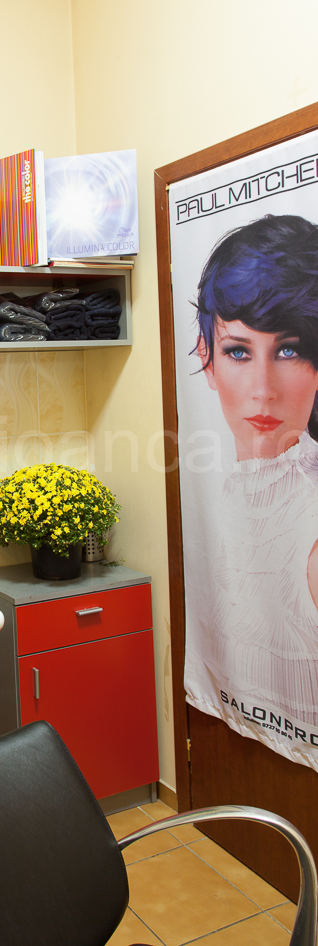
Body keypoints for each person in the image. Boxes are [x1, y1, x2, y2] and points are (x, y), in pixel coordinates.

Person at [190, 214, 318, 732]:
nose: (263, 389)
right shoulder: (222, 496)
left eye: (289, 349)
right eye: (238, 351)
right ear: (208, 359)